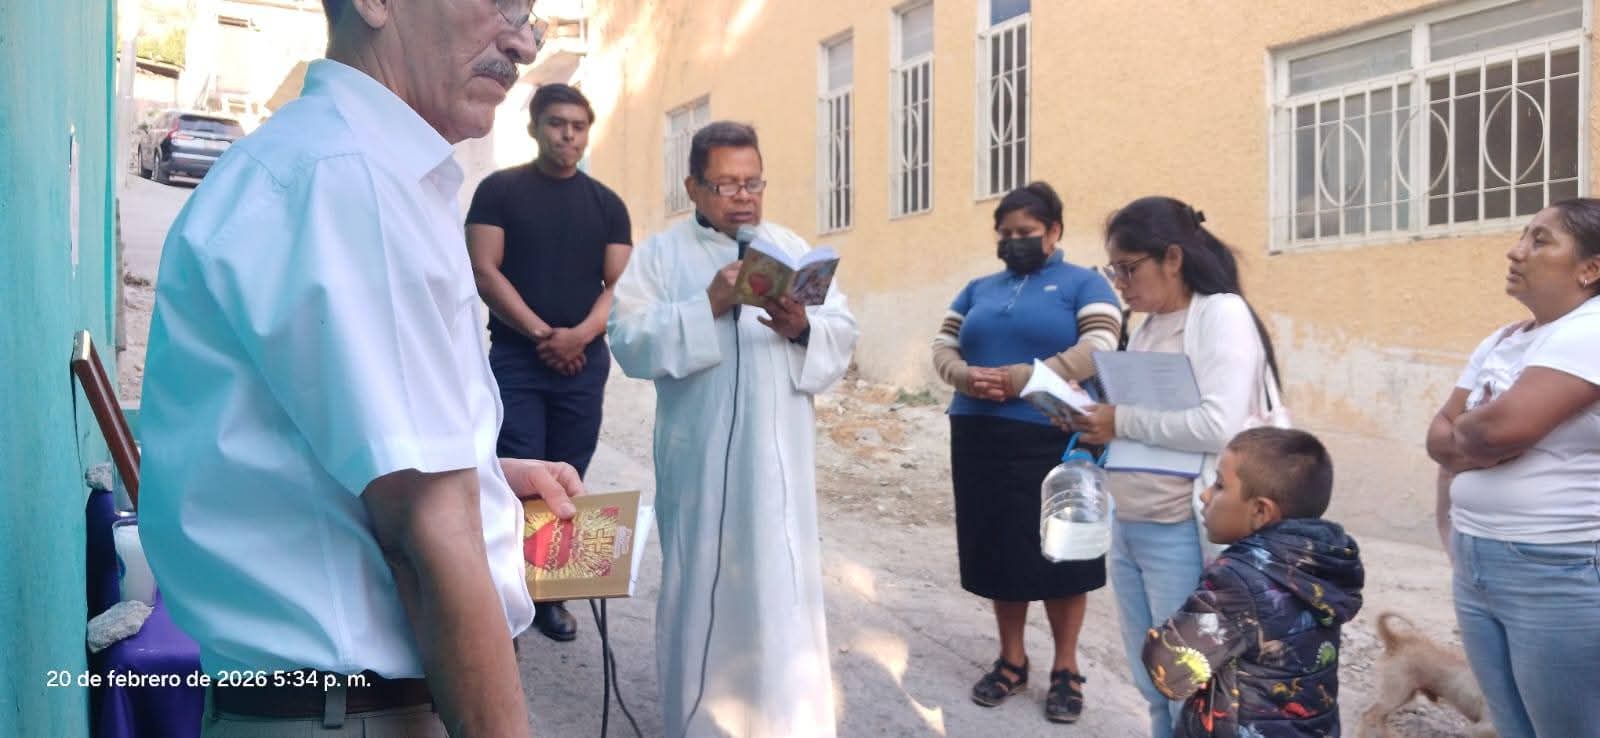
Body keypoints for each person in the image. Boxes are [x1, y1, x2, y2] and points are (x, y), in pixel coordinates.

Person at [137, 2, 576, 736]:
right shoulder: (350, 178)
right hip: (355, 714)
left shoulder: (348, 167)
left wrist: (479, 474)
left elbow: (320, 455)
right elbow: (427, 535)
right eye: (500, 2)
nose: (524, 42)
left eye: (529, 13)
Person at [606, 121, 859, 737]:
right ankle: (702, 724)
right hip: (701, 462)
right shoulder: (661, 257)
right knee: (704, 589)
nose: (743, 197)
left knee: (782, 584)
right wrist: (709, 306)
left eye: (753, 182)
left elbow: (843, 334)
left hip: (780, 467)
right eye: (727, 184)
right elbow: (629, 342)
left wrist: (802, 325)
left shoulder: (790, 245)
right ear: (693, 186)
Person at [1066, 196, 1281, 738]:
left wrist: (1121, 420)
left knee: (1193, 685)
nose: (1120, 282)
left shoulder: (1219, 314)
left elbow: (1221, 425)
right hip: (1132, 526)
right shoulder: (1146, 326)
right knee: (1152, 682)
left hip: (1182, 531)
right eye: (1114, 269)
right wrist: (1089, 418)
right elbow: (1136, 422)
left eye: (1130, 267)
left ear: (1174, 259)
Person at [929, 181, 1122, 723]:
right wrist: (963, 376)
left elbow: (1100, 346)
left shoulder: (1084, 284)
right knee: (999, 552)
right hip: (980, 435)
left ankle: (1066, 668)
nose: (1014, 242)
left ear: (1054, 232)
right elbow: (942, 344)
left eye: (1027, 233)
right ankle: (1011, 660)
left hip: (1053, 436)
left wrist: (1029, 377)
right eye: (1006, 234)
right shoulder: (977, 289)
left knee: (1065, 552)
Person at [1425, 199, 1600, 738]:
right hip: (1479, 560)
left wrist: (1478, 431)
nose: (1516, 250)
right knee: (1512, 725)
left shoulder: (1590, 330)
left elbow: (1494, 430)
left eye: (1541, 240)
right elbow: (1439, 436)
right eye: (1524, 235)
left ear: (1590, 269)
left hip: (1556, 566)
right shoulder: (1506, 338)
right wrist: (1480, 440)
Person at [466, 82, 631, 642]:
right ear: (534, 126)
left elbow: (618, 284)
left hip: (583, 363)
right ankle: (502, 591)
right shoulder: (500, 192)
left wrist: (579, 337)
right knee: (518, 473)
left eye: (579, 126)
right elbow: (485, 270)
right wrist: (543, 334)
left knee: (568, 476)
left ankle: (548, 597)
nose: (568, 134)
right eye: (557, 123)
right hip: (517, 358)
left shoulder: (608, 205)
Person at [1142, 428, 1364, 738]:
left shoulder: (1236, 579)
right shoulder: (1322, 563)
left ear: (1260, 510)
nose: (1205, 495)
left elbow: (1171, 673)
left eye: (1219, 485)